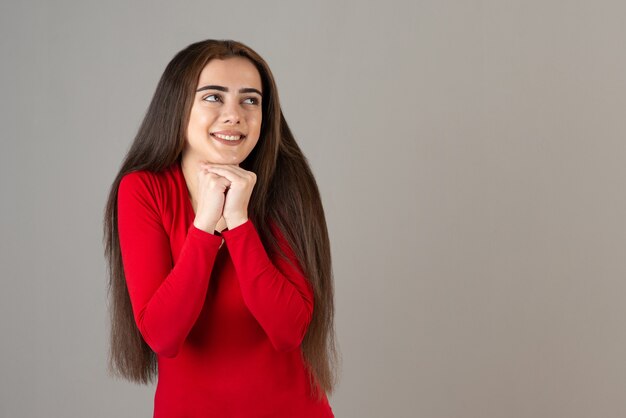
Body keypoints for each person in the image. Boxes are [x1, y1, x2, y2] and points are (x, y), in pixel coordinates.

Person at [102, 39, 339, 417]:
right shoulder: (144, 190)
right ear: (178, 106)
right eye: (213, 97)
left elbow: (288, 331)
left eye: (250, 100)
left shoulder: (287, 185)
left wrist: (241, 223)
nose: (234, 115)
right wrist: (205, 226)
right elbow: (163, 335)